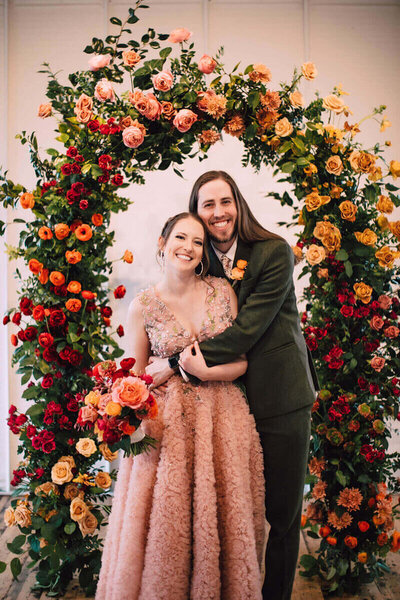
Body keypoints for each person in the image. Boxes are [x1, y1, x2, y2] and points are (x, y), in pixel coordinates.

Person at [146, 172, 319, 600]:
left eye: (226, 202)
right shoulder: (198, 260)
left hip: (280, 397)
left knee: (282, 514)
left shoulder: (275, 251)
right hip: (228, 405)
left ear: (238, 204)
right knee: (230, 513)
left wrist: (175, 364)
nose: (219, 213)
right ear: (196, 213)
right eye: (208, 205)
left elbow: (246, 330)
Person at [96, 212, 266, 600]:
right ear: (163, 242)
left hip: (223, 418)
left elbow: (242, 363)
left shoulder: (222, 292)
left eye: (196, 241)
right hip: (166, 428)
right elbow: (134, 380)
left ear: (203, 249)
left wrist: (202, 373)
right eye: (180, 238)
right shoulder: (142, 306)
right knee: (168, 526)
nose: (187, 247)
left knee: (221, 515)